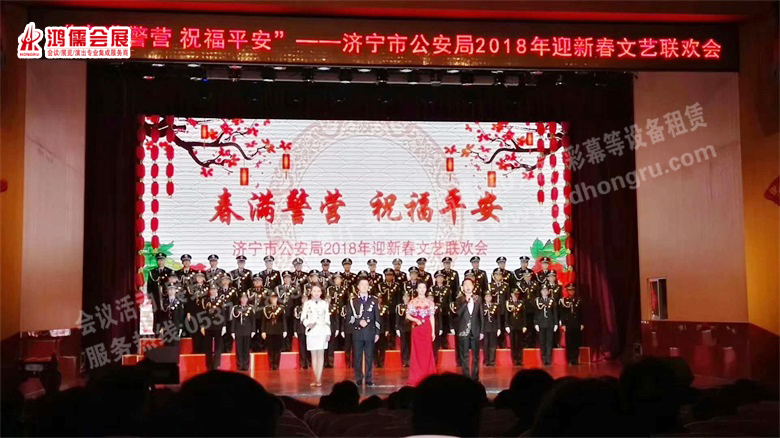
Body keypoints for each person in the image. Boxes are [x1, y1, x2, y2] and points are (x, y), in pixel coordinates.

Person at [348, 278, 380, 386]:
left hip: (370, 332)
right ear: (358, 287)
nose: (364, 286)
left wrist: (377, 333)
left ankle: (369, 379)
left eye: (366, 284)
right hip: (357, 332)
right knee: (357, 357)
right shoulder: (353, 301)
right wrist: (358, 322)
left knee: (369, 357)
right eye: (362, 284)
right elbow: (349, 318)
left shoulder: (374, 300)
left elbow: (377, 318)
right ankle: (358, 378)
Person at [406, 282, 437, 386]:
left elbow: (432, 317)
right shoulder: (412, 302)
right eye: (420, 287)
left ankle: (428, 375)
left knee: (427, 352)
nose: (422, 289)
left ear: (426, 289)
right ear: (417, 289)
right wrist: (416, 320)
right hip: (417, 329)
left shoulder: (430, 302)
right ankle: (417, 375)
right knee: (417, 352)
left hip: (427, 328)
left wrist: (433, 331)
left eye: (424, 287)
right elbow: (407, 315)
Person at [455, 278, 484, 380]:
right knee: (464, 356)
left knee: (476, 356)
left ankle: (475, 377)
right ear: (462, 287)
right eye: (465, 285)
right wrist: (465, 303)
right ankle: (466, 377)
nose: (467, 287)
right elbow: (458, 313)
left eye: (469, 284)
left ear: (473, 286)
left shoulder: (478, 299)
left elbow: (481, 316)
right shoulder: (459, 299)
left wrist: (482, 331)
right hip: (463, 331)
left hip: (475, 330)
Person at [302, 285, 330, 386]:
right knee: (313, 355)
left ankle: (318, 379)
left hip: (322, 331)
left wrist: (328, 332)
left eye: (318, 291)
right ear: (311, 292)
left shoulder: (325, 304)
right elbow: (303, 317)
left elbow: (327, 319)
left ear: (321, 293)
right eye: (314, 291)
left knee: (320, 355)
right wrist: (308, 324)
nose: (316, 293)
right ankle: (315, 377)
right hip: (311, 331)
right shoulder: (307, 304)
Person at [199, 284, 228, 370]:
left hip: (218, 326)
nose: (213, 291)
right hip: (208, 326)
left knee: (218, 347)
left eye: (215, 289)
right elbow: (202, 314)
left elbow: (223, 314)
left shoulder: (221, 301)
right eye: (211, 290)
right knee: (208, 347)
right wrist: (202, 325)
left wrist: (224, 326)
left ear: (217, 291)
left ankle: (216, 365)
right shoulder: (205, 301)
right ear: (209, 291)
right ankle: (209, 366)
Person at [261, 291, 287, 370]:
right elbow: (264, 321)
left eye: (275, 298)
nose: (274, 299)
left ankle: (276, 364)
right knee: (270, 349)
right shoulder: (266, 309)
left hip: (278, 330)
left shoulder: (281, 308)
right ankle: (271, 364)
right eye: (272, 298)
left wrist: (285, 330)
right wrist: (263, 331)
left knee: (278, 349)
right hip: (269, 330)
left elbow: (284, 320)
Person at [560, 283, 584, 365]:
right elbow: (562, 314)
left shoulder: (578, 300)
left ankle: (575, 358)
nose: (571, 292)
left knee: (576, 342)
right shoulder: (564, 301)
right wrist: (563, 324)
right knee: (569, 342)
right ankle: (570, 359)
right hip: (568, 324)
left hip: (576, 323)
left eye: (572, 290)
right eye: (569, 290)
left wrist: (582, 323)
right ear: (567, 291)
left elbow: (581, 313)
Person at [231, 292, 256, 371]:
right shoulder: (236, 308)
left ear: (247, 299)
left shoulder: (250, 308)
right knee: (239, 349)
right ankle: (240, 365)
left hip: (247, 330)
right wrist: (232, 331)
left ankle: (246, 365)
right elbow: (234, 320)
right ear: (240, 299)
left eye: (245, 298)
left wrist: (253, 330)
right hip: (238, 330)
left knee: (246, 349)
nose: (244, 299)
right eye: (242, 298)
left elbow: (253, 320)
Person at [535, 285, 558, 366]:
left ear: (548, 292)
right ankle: (544, 358)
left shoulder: (552, 300)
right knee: (542, 342)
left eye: (546, 290)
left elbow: (554, 312)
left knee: (549, 341)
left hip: (550, 323)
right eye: (543, 290)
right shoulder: (538, 300)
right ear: (541, 292)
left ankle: (548, 358)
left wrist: (556, 323)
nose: (545, 292)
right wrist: (536, 323)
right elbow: (536, 313)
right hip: (541, 323)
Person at [147, 253, 173, 325]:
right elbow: (149, 286)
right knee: (156, 314)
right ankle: (157, 329)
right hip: (156, 297)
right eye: (159, 260)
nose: (160, 262)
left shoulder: (170, 272)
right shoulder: (152, 272)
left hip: (166, 297)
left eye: (162, 260)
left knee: (167, 313)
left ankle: (166, 329)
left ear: (164, 260)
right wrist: (150, 297)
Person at [186, 271, 208, 353]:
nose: (199, 279)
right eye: (198, 277)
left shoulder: (207, 288)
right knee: (195, 331)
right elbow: (189, 301)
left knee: (204, 331)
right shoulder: (191, 288)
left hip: (204, 312)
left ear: (204, 278)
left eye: (201, 277)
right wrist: (188, 312)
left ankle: (203, 350)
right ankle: (196, 350)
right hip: (194, 311)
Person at [504, 288, 527, 366]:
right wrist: (506, 325)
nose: (516, 295)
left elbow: (523, 315)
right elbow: (506, 315)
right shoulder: (508, 303)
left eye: (517, 294)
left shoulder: (521, 303)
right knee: (513, 343)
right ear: (511, 294)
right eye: (514, 294)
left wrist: (524, 325)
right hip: (512, 325)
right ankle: (514, 359)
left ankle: (519, 359)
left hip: (519, 325)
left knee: (519, 343)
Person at [518, 270, 539, 347]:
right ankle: (524, 343)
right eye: (525, 276)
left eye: (529, 276)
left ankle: (532, 343)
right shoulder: (519, 284)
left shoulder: (535, 284)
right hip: (524, 308)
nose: (527, 277)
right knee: (524, 326)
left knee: (532, 326)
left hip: (533, 308)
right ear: (523, 276)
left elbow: (537, 296)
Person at [482, 292, 500, 366]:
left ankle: (492, 361)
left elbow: (498, 318)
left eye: (489, 296)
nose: (488, 298)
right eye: (487, 296)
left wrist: (499, 328)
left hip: (493, 327)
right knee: (486, 345)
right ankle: (486, 361)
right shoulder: (482, 306)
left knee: (493, 345)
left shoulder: (495, 306)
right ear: (484, 298)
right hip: (485, 328)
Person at [395, 291, 412, 367]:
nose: (406, 298)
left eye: (407, 297)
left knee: (410, 345)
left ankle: (410, 360)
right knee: (404, 345)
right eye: (405, 297)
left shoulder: (412, 306)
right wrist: (397, 328)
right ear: (403, 298)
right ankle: (404, 360)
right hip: (402, 328)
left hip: (410, 327)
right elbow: (397, 318)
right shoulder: (399, 307)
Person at [293, 294, 310, 369]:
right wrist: (295, 330)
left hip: (309, 330)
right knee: (302, 347)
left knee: (309, 347)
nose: (304, 300)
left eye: (306, 299)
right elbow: (295, 321)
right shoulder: (298, 309)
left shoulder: (311, 308)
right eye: (303, 299)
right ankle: (303, 363)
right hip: (300, 330)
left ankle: (309, 363)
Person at [375, 294, 391, 368]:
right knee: (375, 347)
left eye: (380, 298)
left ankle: (381, 362)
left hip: (382, 330)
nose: (379, 299)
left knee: (382, 347)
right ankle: (376, 362)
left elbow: (387, 320)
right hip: (375, 330)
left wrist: (387, 329)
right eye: (378, 298)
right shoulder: (373, 308)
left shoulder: (384, 308)